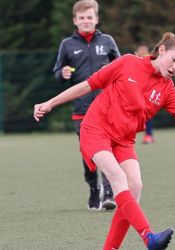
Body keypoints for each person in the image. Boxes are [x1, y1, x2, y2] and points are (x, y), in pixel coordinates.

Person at [34, 32, 175, 250]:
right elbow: (87, 85)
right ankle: (149, 238)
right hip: (95, 129)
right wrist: (50, 103)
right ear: (162, 50)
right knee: (117, 176)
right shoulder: (127, 62)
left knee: (135, 187)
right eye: (174, 60)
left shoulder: (167, 89)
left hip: (124, 141)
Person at [53, 0, 120, 210]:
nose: (86, 21)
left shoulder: (108, 41)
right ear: (75, 20)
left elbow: (121, 67)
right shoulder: (67, 45)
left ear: (96, 19)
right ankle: (93, 189)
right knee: (89, 154)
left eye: (89, 17)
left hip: (107, 107)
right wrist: (62, 74)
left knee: (107, 151)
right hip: (81, 110)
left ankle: (109, 193)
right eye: (81, 18)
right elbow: (57, 72)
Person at [135, 44, 155, 144]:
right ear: (136, 53)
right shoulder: (131, 63)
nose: (142, 54)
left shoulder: (151, 65)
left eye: (145, 52)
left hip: (146, 94)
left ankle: (149, 135)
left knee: (147, 115)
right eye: (140, 52)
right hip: (133, 94)